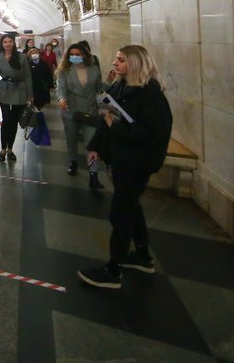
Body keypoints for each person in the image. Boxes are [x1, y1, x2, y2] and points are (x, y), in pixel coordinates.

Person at [78, 45, 173, 290]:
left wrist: (115, 126)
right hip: (121, 157)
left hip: (137, 162)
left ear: (135, 63)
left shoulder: (151, 95)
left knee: (120, 212)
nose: (114, 63)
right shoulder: (121, 87)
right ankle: (142, 256)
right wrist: (95, 145)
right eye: (116, 58)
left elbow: (152, 134)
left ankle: (113, 269)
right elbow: (106, 117)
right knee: (132, 206)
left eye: (120, 59)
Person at [56, 43, 105, 187]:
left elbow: (99, 88)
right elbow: (61, 88)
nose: (74, 57)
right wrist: (61, 99)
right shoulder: (65, 70)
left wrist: (109, 82)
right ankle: (73, 161)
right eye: (72, 54)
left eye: (77, 54)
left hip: (90, 110)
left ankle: (93, 173)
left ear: (84, 55)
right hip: (71, 110)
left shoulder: (94, 69)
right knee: (71, 138)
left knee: (92, 143)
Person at [0, 34, 32, 163]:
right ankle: (3, 149)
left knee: (13, 121)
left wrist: (30, 95)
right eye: (5, 42)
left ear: (13, 43)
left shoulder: (22, 57)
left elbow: (27, 77)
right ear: (2, 44)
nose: (8, 44)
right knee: (6, 119)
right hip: (5, 89)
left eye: (10, 42)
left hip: (20, 91)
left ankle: (10, 149)